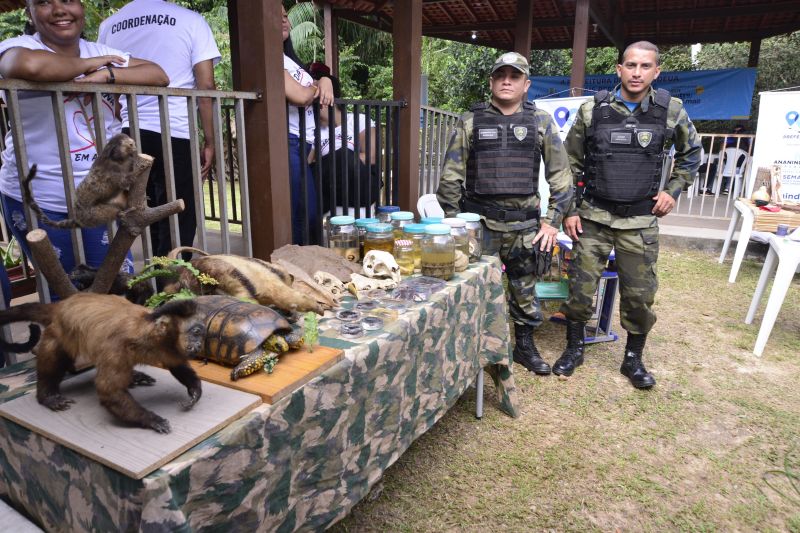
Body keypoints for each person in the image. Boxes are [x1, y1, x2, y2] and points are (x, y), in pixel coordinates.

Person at [556, 41, 701, 388]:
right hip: (593, 217)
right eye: (631, 65)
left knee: (639, 295)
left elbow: (691, 154)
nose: (637, 73)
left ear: (656, 71)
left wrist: (673, 190)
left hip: (640, 221)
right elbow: (568, 162)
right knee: (579, 289)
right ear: (619, 69)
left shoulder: (670, 111)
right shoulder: (593, 110)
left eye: (645, 66)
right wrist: (570, 210)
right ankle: (574, 349)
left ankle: (633, 360)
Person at [0, 0, 168, 280]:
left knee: (117, 283)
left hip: (103, 195)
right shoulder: (17, 46)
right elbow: (28, 66)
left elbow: (158, 74)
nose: (58, 9)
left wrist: (108, 74)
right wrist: (92, 65)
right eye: (43, 2)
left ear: (81, 7)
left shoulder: (102, 52)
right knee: (64, 292)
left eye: (67, 0)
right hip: (40, 197)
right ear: (29, 11)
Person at [437, 52, 573, 376]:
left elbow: (562, 176)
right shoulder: (470, 121)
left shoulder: (541, 121)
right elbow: (450, 177)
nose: (507, 81)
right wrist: (457, 224)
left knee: (525, 290)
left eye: (515, 76)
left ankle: (524, 347)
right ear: (492, 82)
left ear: (526, 84)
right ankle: (469, 350)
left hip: (526, 227)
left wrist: (552, 221)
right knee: (471, 289)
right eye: (501, 75)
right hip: (480, 225)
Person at [99, 0, 220, 258]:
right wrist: (210, 141)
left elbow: (106, 89)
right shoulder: (191, 20)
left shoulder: (110, 25)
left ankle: (154, 284)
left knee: (144, 214)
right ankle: (172, 287)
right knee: (178, 216)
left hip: (128, 133)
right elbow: (206, 86)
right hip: (175, 131)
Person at [282, 6, 333, 244]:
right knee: (297, 217)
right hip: (287, 142)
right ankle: (292, 272)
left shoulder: (291, 61)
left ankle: (306, 269)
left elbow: (310, 90)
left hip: (303, 143)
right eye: (277, 15)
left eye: (285, 16)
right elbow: (300, 96)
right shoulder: (270, 58)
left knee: (311, 215)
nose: (283, 20)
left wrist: (324, 80)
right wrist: (317, 86)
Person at [308, 74, 381, 217]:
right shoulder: (312, 129)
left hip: (357, 182)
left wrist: (336, 160)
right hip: (330, 185)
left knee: (344, 155)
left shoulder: (358, 120)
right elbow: (308, 163)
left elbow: (371, 157)